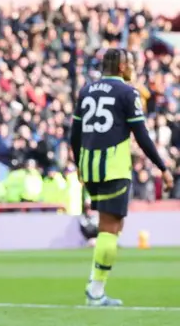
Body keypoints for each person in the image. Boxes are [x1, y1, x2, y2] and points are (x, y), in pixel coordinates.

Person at [70, 48, 174, 307]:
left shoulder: (86, 91)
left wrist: (79, 164)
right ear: (120, 67)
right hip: (113, 167)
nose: (132, 68)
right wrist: (162, 166)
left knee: (114, 227)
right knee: (109, 228)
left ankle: (95, 283)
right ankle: (95, 291)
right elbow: (141, 135)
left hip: (90, 166)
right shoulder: (128, 92)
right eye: (130, 64)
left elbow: (75, 133)